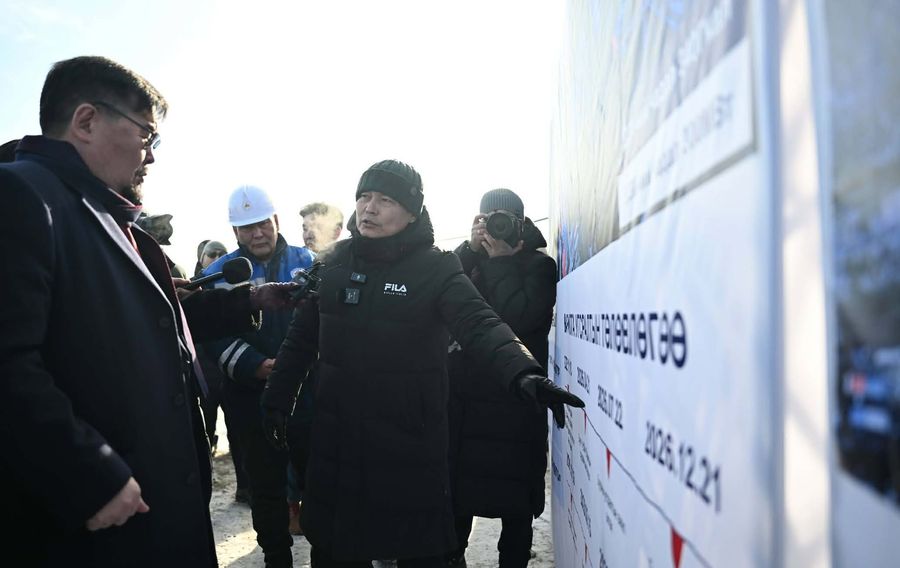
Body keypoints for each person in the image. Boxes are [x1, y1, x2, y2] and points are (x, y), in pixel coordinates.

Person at [0, 55, 298, 567]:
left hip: (153, 499)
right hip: (98, 521)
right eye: (146, 134)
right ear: (87, 121)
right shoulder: (22, 196)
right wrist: (88, 473)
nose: (152, 156)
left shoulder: (108, 217)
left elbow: (146, 324)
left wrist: (249, 299)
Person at [261, 159, 584, 567]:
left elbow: (480, 323)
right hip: (337, 446)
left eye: (385, 199)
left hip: (409, 448)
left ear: (412, 212)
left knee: (418, 550)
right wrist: (276, 399)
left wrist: (524, 372)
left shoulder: (436, 267)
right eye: (364, 196)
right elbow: (300, 341)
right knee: (335, 550)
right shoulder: (332, 263)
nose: (369, 208)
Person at [201, 185, 315, 567]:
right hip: (250, 396)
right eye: (247, 227)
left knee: (317, 479)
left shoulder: (307, 261)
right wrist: (255, 365)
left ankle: (327, 553)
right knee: (265, 487)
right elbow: (211, 335)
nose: (258, 233)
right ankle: (275, 557)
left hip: (306, 392)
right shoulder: (217, 273)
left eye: (263, 223)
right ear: (235, 232)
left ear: (276, 221)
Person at [446, 189, 556, 567]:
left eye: (504, 218)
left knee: (516, 507)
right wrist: (468, 249)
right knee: (458, 502)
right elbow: (439, 294)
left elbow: (516, 321)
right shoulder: (466, 263)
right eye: (487, 218)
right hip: (466, 404)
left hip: (516, 401)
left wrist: (502, 263)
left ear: (521, 224)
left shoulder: (540, 266)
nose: (496, 226)